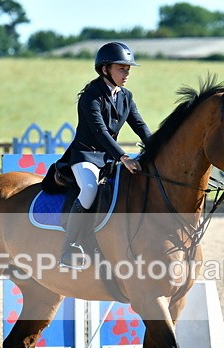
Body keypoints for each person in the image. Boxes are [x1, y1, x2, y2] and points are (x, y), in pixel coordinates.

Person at [54, 41, 152, 270]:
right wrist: (123, 157)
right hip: (85, 155)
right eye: (122, 68)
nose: (127, 73)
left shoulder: (126, 96)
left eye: (128, 69)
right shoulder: (91, 96)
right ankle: (69, 247)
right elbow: (100, 132)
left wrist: (157, 146)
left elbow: (139, 124)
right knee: (89, 189)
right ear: (105, 69)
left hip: (108, 158)